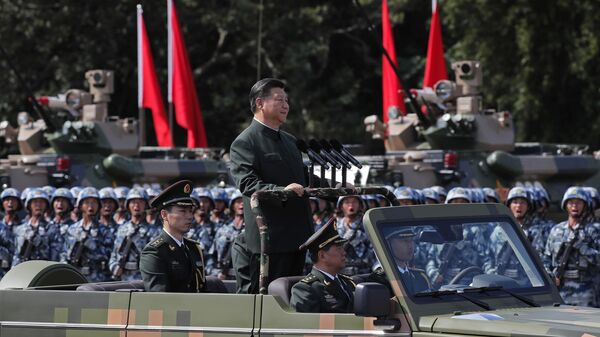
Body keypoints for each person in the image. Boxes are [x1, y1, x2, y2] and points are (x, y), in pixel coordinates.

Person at [229, 78, 314, 294]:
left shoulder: (289, 140)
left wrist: (339, 186)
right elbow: (247, 183)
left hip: (298, 237)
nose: (286, 105)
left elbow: (304, 179)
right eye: (279, 100)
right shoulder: (246, 141)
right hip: (270, 240)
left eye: (287, 100)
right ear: (260, 103)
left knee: (292, 299)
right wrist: (280, 191)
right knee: (268, 303)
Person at [140, 180, 206, 293]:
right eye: (183, 211)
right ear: (164, 215)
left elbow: (201, 288)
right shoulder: (155, 251)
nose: (190, 216)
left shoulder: (193, 248)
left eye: (190, 211)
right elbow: (160, 297)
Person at [543, 186, 600, 307]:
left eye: (578, 203)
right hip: (560, 290)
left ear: (585, 205)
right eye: (571, 202)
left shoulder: (594, 230)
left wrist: (581, 247)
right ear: (565, 205)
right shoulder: (556, 230)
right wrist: (550, 275)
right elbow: (546, 257)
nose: (574, 206)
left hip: (586, 290)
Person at [290, 219, 355, 313]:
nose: (344, 253)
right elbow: (304, 325)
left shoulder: (347, 282)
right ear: (322, 256)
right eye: (339, 248)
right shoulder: (306, 289)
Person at [62, 187, 112, 282]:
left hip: (97, 278)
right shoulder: (72, 229)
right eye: (87, 202)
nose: (91, 206)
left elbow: (109, 255)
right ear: (80, 206)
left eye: (94, 202)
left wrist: (92, 245)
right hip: (75, 277)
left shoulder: (104, 230)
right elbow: (64, 253)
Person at [109, 188, 156, 281]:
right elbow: (114, 255)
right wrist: (114, 267)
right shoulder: (122, 229)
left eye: (140, 202)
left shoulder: (153, 231)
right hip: (123, 279)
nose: (136, 205)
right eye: (133, 202)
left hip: (143, 280)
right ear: (128, 205)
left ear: (146, 205)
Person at [386, 228, 431, 294]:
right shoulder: (382, 280)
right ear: (388, 244)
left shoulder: (421, 277)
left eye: (411, 240)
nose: (410, 246)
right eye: (404, 241)